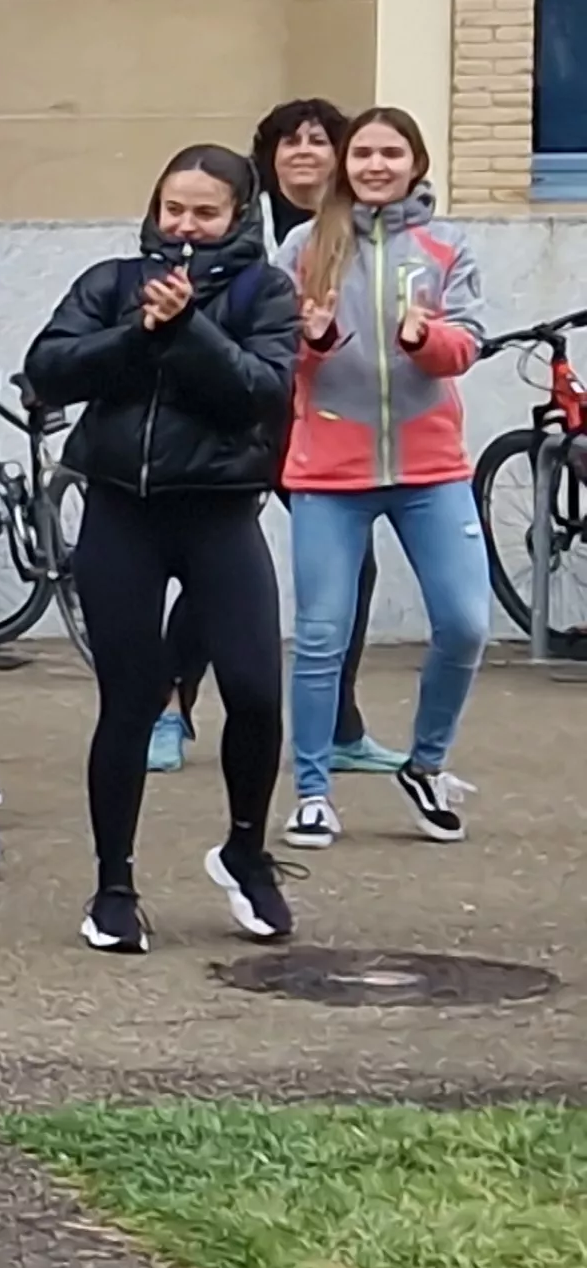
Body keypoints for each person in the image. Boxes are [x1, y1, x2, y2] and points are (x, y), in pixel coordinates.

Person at [24, 145, 301, 953]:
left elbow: (261, 392)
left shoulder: (264, 291)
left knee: (255, 691)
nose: (185, 226)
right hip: (122, 514)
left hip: (219, 514)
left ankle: (245, 853)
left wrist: (187, 330)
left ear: (239, 216)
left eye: (205, 213)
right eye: (173, 209)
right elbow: (48, 369)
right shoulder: (112, 282)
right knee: (130, 700)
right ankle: (114, 885)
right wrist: (137, 336)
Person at [275, 105, 487, 852]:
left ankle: (425, 766)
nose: (375, 165)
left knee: (465, 623)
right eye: (362, 153)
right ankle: (311, 792)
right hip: (330, 471)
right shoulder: (305, 244)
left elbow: (469, 342)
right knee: (321, 635)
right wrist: (315, 336)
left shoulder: (447, 243)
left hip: (431, 467)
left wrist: (427, 340)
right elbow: (278, 351)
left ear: (415, 163)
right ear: (345, 163)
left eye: (390, 153)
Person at [160, 98, 384, 775]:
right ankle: (168, 708)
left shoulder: (359, 226)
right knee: (216, 562)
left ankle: (340, 724)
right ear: (269, 156)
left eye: (319, 140)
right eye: (290, 141)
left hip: (323, 416)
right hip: (249, 411)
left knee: (355, 566)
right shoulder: (240, 221)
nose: (304, 152)